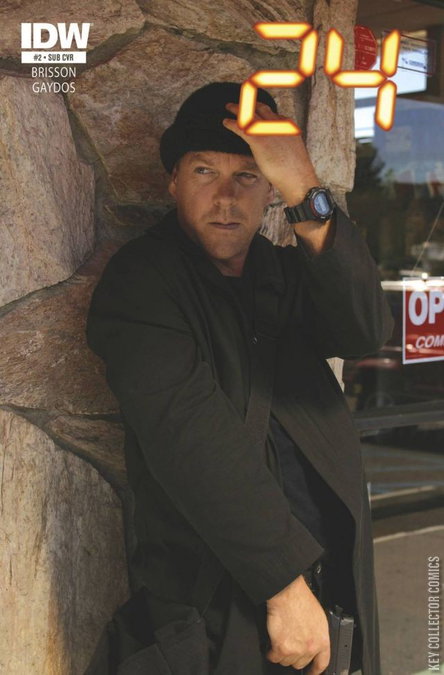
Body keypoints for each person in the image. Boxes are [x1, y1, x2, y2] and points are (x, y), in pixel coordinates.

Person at [85, 82, 393, 675]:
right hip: (228, 604)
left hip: (333, 582)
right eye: (205, 171)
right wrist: (285, 586)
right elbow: (190, 438)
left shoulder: (286, 271)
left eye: (248, 176)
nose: (225, 197)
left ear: (270, 191)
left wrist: (305, 189)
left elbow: (363, 332)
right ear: (173, 182)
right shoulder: (142, 281)